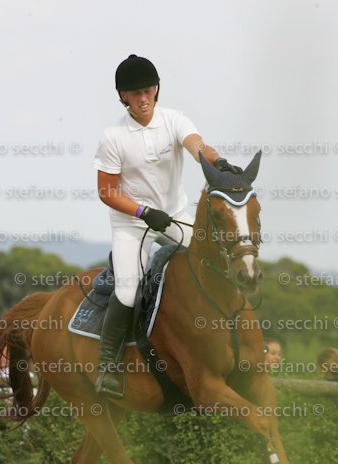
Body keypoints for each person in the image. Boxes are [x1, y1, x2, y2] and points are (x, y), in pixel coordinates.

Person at [93, 54, 242, 395]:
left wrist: (218, 162)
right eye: (136, 93)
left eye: (148, 90)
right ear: (123, 96)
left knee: (219, 262)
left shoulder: (175, 120)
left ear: (157, 89)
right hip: (133, 224)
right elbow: (106, 191)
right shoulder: (113, 137)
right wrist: (144, 212)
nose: (143, 98)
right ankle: (107, 367)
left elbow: (198, 146)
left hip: (174, 216)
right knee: (128, 288)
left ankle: (237, 343)